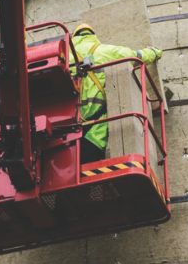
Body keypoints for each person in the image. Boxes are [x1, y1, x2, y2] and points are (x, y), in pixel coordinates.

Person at [69, 23, 162, 163]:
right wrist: (155, 52)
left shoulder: (64, 57)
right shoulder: (104, 51)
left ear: (74, 37)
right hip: (95, 131)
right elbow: (136, 56)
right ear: (93, 36)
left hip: (66, 132)